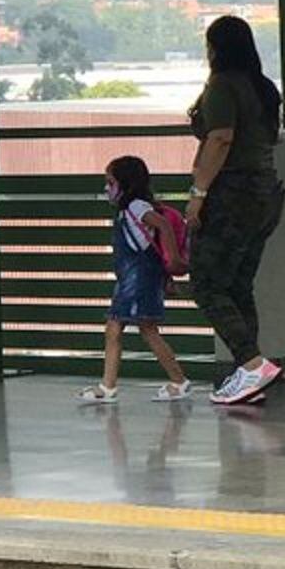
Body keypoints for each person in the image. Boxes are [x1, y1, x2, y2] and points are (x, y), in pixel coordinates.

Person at [187, 15, 285, 407]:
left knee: (207, 283)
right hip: (266, 194)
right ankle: (249, 377)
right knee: (238, 285)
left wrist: (198, 195)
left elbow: (220, 138)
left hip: (232, 194)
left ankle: (251, 363)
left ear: (216, 48)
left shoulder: (222, 86)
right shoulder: (264, 88)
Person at [78, 155, 191, 404]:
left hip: (136, 280)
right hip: (137, 279)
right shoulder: (130, 209)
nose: (107, 188)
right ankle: (177, 381)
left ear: (125, 185)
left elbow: (160, 224)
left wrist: (171, 256)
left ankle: (109, 386)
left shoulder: (136, 207)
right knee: (144, 330)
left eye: (110, 182)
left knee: (119, 327)